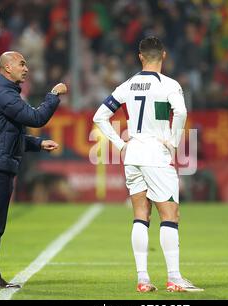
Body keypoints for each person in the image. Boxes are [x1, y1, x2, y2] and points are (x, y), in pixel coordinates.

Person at [93, 36, 203, 292]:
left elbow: (100, 116)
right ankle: (174, 278)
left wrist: (121, 146)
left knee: (141, 216)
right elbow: (183, 112)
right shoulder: (169, 85)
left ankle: (143, 279)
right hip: (156, 155)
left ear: (140, 56)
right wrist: (174, 141)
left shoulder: (127, 85)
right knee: (170, 215)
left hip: (133, 156)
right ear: (163, 55)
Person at [0, 51, 67, 289]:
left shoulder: (2, 92)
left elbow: (7, 136)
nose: (26, 68)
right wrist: (53, 95)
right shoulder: (3, 93)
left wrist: (37, 143)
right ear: (7, 68)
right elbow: (36, 118)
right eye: (21, 64)